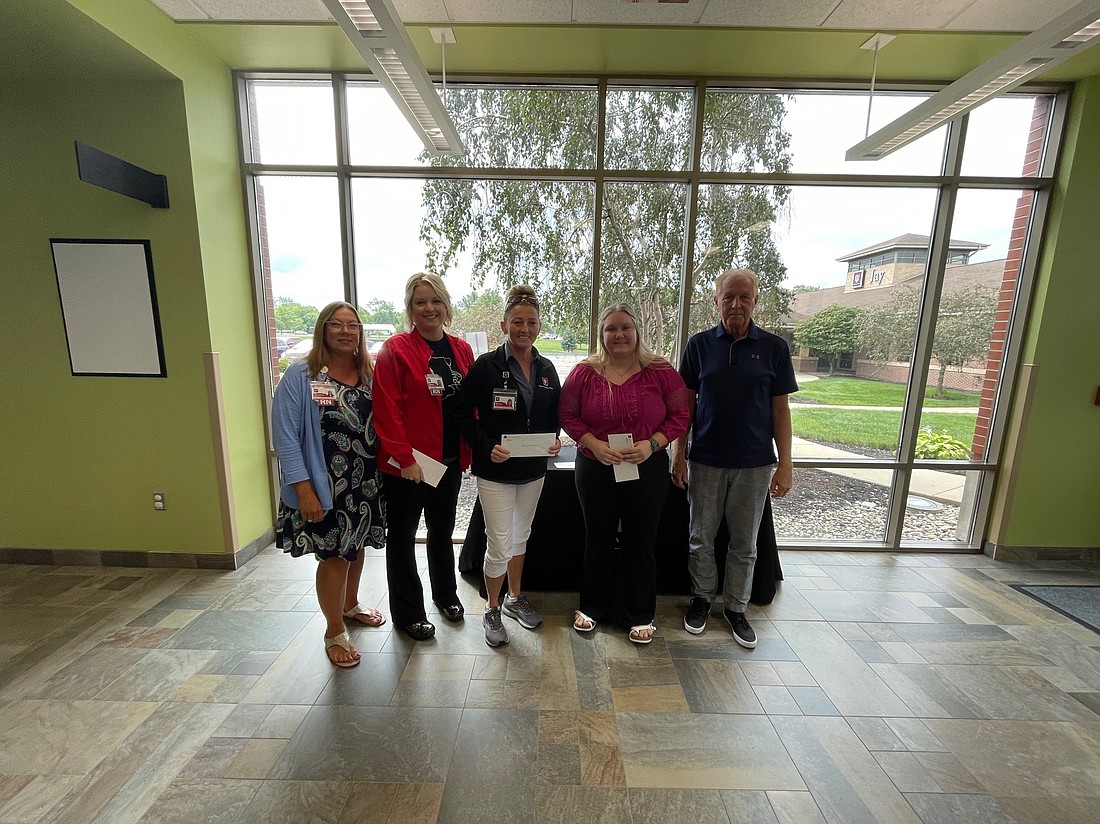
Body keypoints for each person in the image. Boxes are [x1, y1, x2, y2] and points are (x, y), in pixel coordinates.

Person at [672, 269, 798, 649]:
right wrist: (679, 453)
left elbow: (781, 411)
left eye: (744, 297)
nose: (736, 304)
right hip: (705, 460)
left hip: (755, 464)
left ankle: (737, 608)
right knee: (701, 537)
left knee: (745, 543)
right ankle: (701, 599)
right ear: (716, 301)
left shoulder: (774, 348)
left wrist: (786, 463)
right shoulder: (698, 346)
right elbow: (685, 407)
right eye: (728, 297)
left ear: (756, 300)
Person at [559, 303, 691, 644]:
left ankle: (640, 613)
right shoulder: (583, 372)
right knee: (597, 536)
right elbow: (568, 415)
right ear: (601, 335)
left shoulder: (661, 370)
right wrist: (593, 444)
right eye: (611, 329)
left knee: (641, 539)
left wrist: (653, 444)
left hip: (645, 467)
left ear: (636, 332)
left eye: (625, 328)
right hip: (596, 465)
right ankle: (592, 607)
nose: (618, 335)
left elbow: (680, 415)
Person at [272, 301, 387, 668]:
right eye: (336, 324)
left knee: (357, 547)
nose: (345, 331)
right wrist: (303, 490)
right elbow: (286, 438)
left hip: (366, 482)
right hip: (325, 486)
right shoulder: (300, 375)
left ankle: (350, 605)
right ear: (323, 329)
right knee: (335, 555)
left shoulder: (369, 373)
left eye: (352, 325)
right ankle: (334, 629)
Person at [454, 285, 562, 647]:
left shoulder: (547, 369)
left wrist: (555, 440)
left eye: (531, 322)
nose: (524, 328)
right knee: (499, 542)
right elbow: (461, 415)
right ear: (504, 325)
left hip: (532, 471)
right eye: (517, 321)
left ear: (539, 326)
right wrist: (486, 447)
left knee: (521, 536)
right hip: (495, 471)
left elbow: (552, 417)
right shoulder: (487, 366)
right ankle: (492, 607)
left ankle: (515, 599)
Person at [373, 273, 474, 641]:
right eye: (420, 302)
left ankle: (445, 595)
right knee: (402, 537)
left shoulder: (462, 349)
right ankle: (408, 613)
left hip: (448, 460)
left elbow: (468, 405)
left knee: (442, 531)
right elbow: (387, 410)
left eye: (435, 301)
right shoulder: (395, 350)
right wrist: (405, 458)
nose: (429, 308)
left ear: (446, 307)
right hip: (409, 465)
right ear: (410, 309)